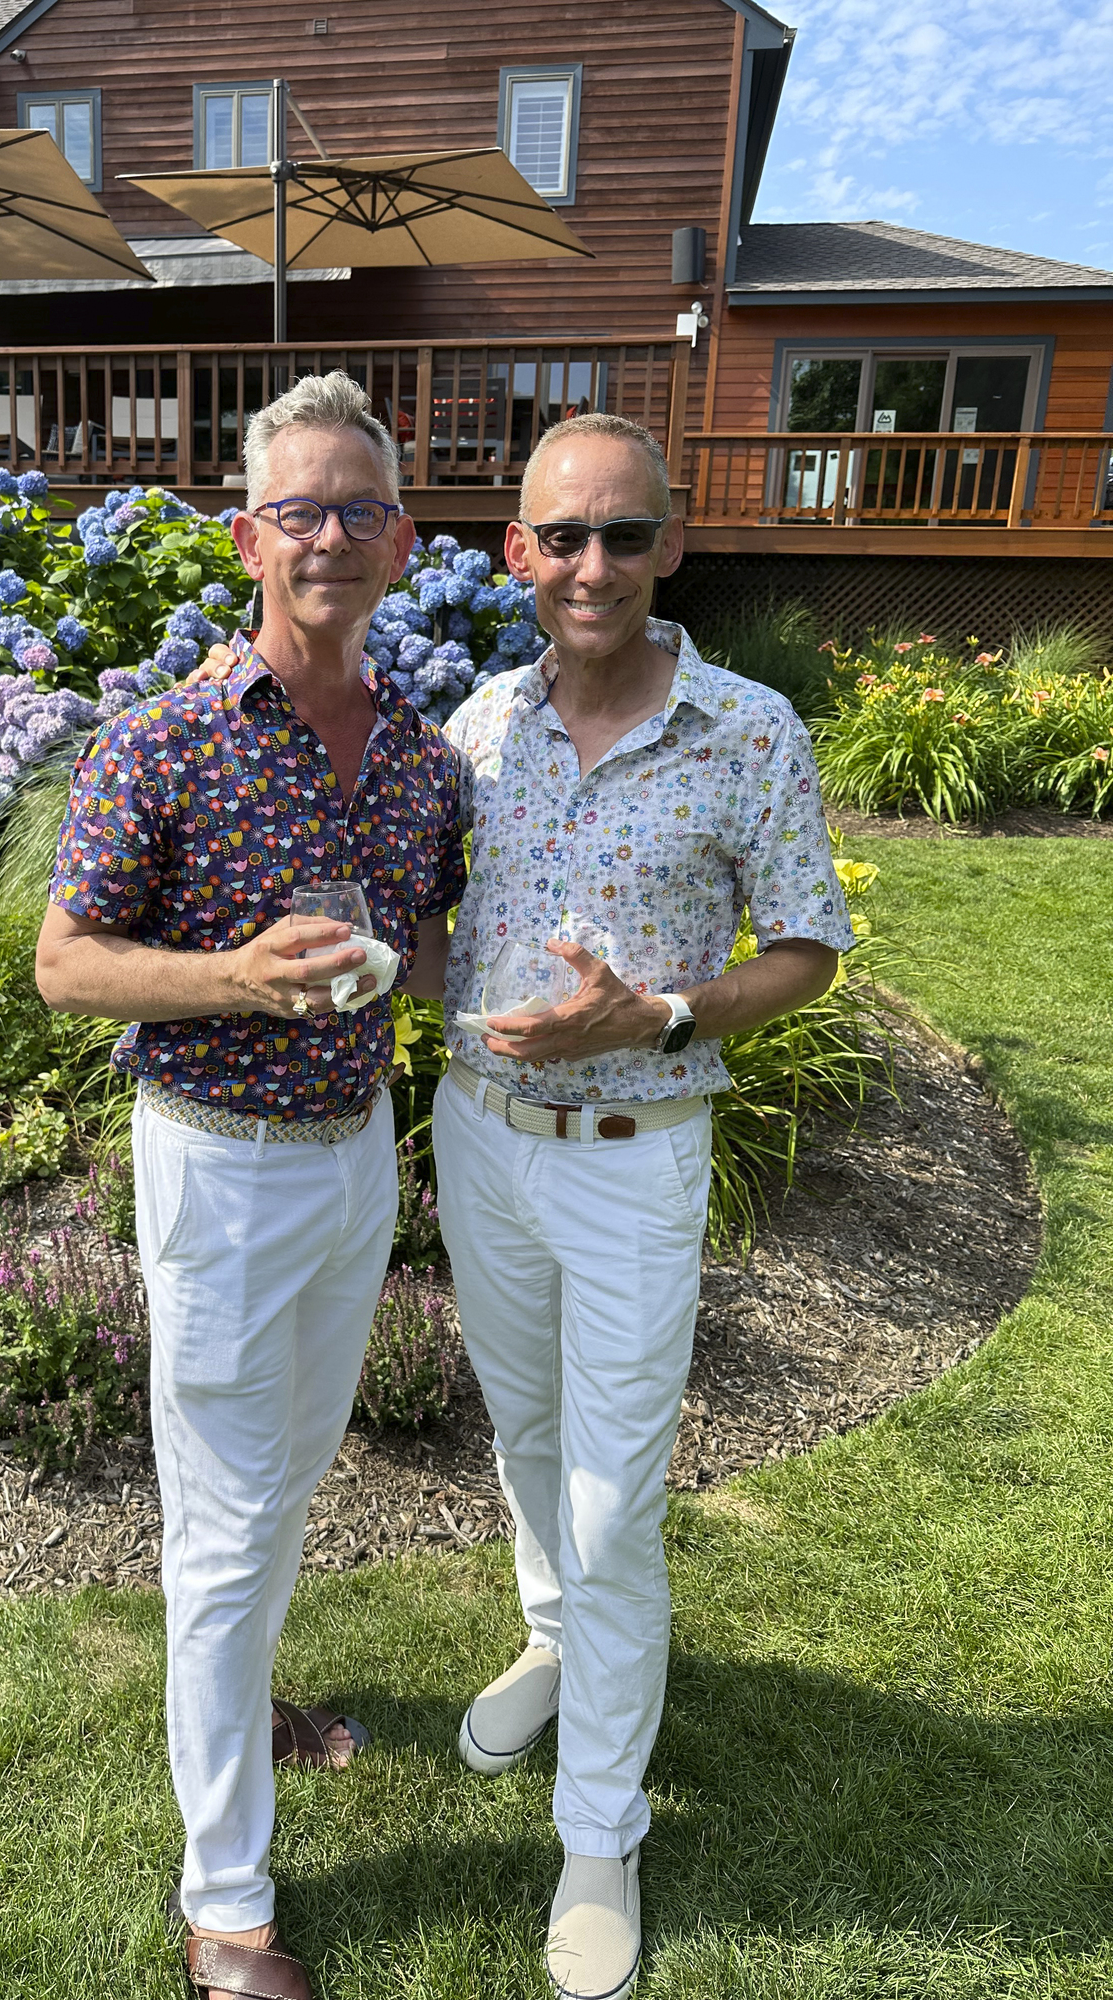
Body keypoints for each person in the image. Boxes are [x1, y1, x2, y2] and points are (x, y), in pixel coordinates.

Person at [35, 371, 464, 2000]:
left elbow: (419, 945)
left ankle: (254, 1701)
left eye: (361, 506)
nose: (332, 535)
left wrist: (448, 977)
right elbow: (66, 966)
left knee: (284, 1476)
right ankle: (225, 1906)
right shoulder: (166, 740)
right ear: (249, 536)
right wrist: (237, 979)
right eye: (300, 508)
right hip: (217, 1170)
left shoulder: (422, 755)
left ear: (404, 539)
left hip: (354, 1161)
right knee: (218, 1529)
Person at [432, 411, 855, 1997]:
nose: (589, 565)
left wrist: (657, 1014)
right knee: (525, 1439)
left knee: (618, 1502)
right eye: (561, 537)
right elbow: (422, 917)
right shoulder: (478, 728)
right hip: (482, 1140)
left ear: (670, 544)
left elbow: (807, 948)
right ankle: (552, 1639)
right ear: (518, 553)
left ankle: (598, 1830)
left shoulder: (750, 729)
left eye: (622, 534)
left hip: (634, 1155)